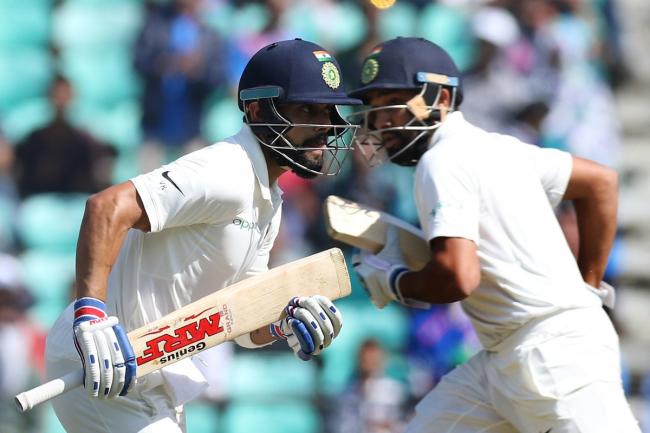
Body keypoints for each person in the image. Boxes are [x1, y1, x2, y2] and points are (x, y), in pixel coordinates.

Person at [45, 38, 361, 433]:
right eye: (308, 110)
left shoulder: (268, 200)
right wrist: (91, 318)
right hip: (99, 363)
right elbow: (106, 207)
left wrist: (284, 321)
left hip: (146, 375)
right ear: (258, 110)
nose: (326, 126)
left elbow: (243, 320)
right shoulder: (226, 170)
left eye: (329, 111)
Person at [348, 37, 641, 433]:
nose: (382, 121)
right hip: (504, 357)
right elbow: (600, 183)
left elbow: (459, 276)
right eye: (375, 108)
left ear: (441, 97)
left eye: (393, 103)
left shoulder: (441, 162)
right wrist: (588, 286)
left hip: (555, 357)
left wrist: (395, 282)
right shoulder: (501, 148)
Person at [13, 75, 115, 199]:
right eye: (57, 95)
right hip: (41, 200)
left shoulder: (87, 138)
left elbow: (105, 164)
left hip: (78, 198)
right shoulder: (34, 136)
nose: (61, 101)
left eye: (65, 95)